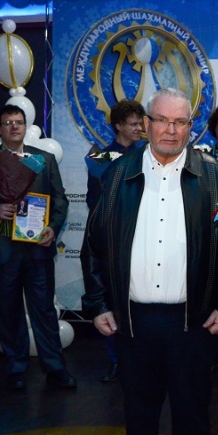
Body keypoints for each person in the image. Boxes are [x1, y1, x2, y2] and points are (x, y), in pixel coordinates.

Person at [81, 88, 218, 435]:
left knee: (193, 414)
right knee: (138, 412)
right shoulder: (116, 174)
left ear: (191, 126)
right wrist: (98, 303)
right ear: (147, 124)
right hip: (133, 321)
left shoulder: (213, 177)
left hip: (193, 321)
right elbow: (93, 245)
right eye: (162, 120)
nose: (171, 130)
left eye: (180, 121)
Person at [0, 104, 75, 391]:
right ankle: (16, 367)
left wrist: (53, 227)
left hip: (37, 247)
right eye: (8, 123)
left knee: (44, 310)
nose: (14, 127)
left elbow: (60, 199)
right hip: (0, 249)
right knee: (8, 311)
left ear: (25, 126)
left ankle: (55, 368)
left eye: (18, 122)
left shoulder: (43, 159)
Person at [86, 98, 147, 383]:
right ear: (118, 125)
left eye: (140, 124)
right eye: (133, 124)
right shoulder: (100, 158)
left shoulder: (148, 155)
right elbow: (93, 200)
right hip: (111, 238)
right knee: (112, 300)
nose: (138, 129)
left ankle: (141, 359)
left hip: (142, 236)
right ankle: (115, 360)